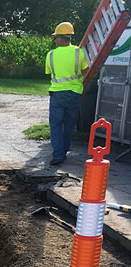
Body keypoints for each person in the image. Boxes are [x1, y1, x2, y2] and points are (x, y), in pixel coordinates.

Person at [45, 22, 90, 166]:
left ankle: (58, 154)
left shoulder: (51, 55)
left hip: (58, 95)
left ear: (59, 38)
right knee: (70, 125)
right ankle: (63, 152)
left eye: (56, 37)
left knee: (56, 125)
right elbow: (85, 70)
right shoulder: (79, 52)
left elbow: (49, 73)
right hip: (75, 93)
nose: (55, 40)